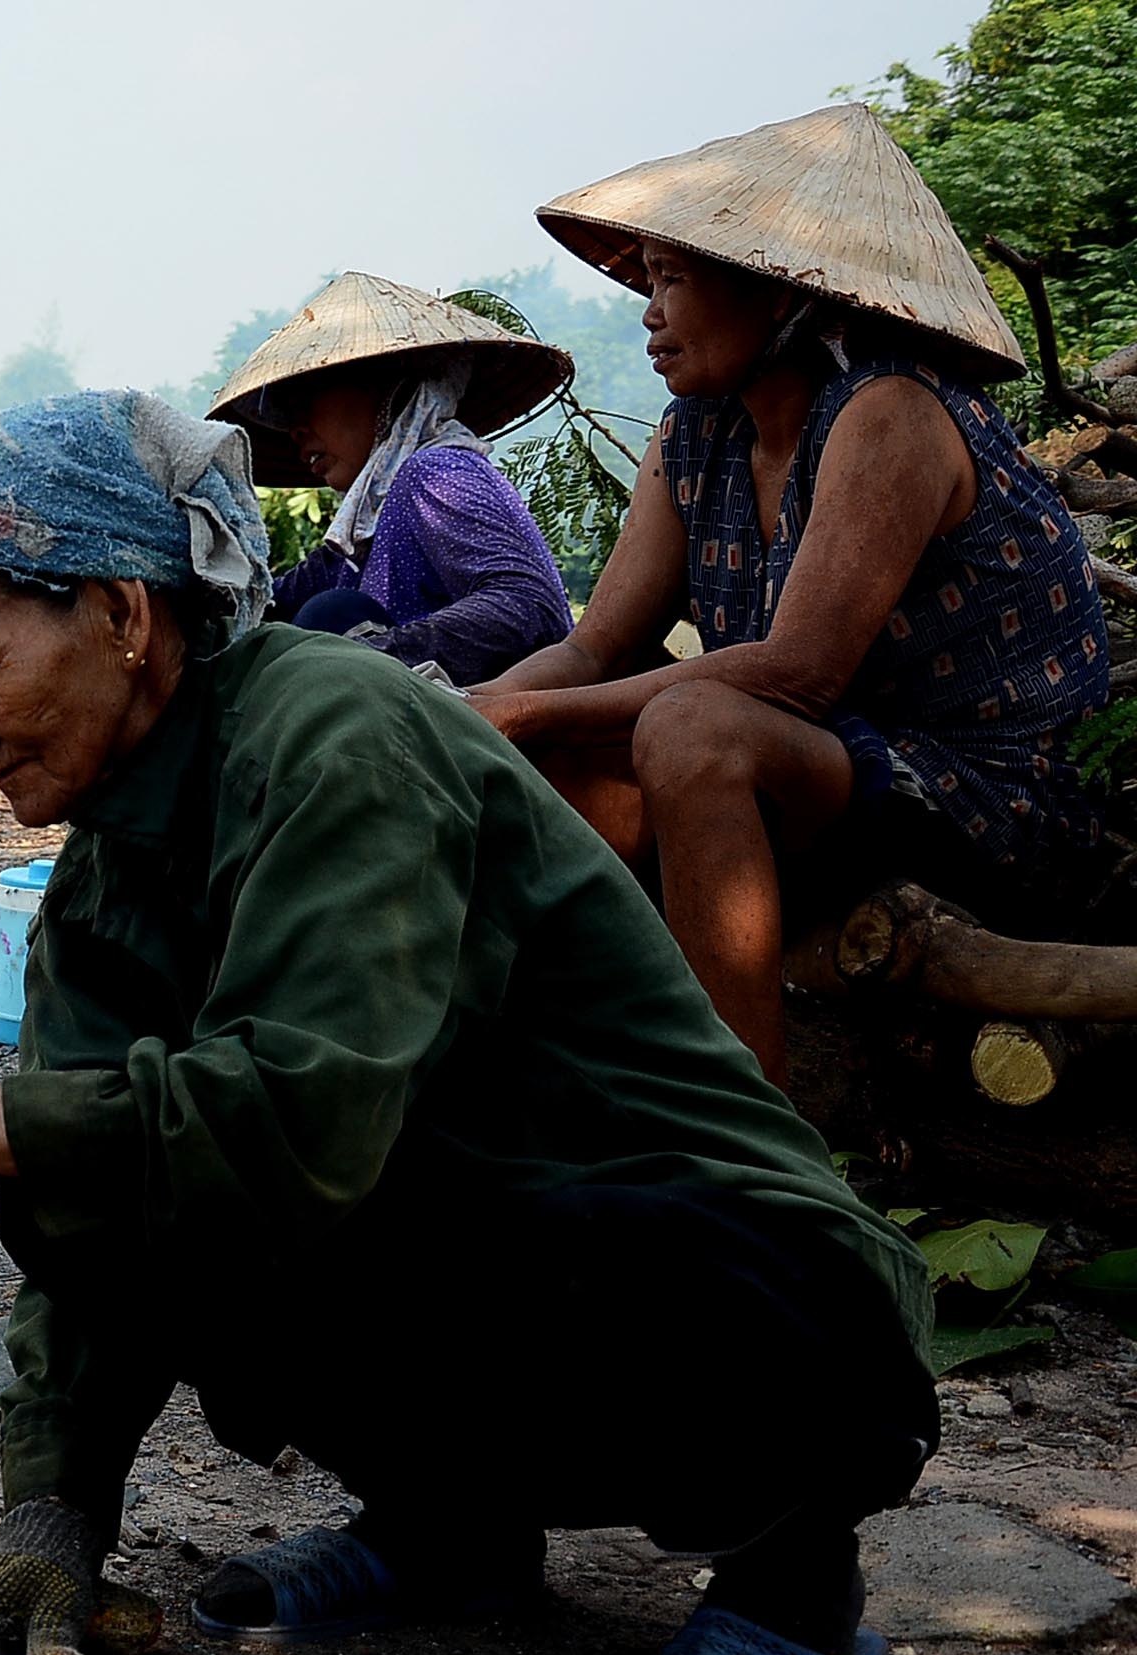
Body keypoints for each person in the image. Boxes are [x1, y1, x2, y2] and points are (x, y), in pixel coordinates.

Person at [0, 388, 935, 1655]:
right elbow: (95, 1218)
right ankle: (451, 1529)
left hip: (738, 1271)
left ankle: (796, 1588)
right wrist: (53, 1518)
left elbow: (300, 1111)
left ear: (123, 612)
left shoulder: (341, 733)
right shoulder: (107, 873)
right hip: (492, 1237)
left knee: (364, 1185)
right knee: (98, 1177)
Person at [473, 104, 1114, 1081]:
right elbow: (595, 646)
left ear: (782, 294)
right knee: (553, 756)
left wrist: (520, 711)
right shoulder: (694, 435)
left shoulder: (888, 412)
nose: (648, 310)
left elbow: (795, 674)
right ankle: (579, 1069)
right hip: (838, 778)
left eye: (674, 279)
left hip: (991, 801)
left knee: (690, 728)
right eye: (647, 280)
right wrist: (474, 714)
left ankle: (752, 1135)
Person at [207, 272, 577, 683]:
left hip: (498, 722)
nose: (295, 430)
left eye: (306, 402)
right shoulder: (364, 530)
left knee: (331, 617)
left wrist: (368, 663)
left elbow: (527, 606)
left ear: (386, 386)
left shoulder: (435, 471)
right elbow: (265, 604)